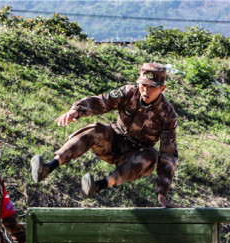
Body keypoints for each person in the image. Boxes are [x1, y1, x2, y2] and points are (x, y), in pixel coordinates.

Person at [31, 63, 180, 207]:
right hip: (113, 143)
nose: (146, 91)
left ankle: (98, 186)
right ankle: (49, 166)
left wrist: (162, 194)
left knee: (152, 155)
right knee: (96, 129)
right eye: (143, 85)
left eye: (152, 87)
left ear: (162, 88)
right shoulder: (128, 93)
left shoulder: (167, 115)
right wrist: (76, 111)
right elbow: (101, 101)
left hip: (136, 157)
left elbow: (168, 155)